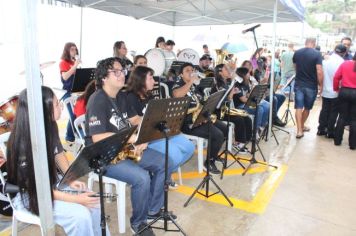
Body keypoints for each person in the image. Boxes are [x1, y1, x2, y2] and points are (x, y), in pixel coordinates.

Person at [6, 86, 108, 236]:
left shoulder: (48, 125)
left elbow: (58, 153)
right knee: (80, 215)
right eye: (55, 104)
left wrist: (70, 178)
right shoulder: (22, 143)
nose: (61, 106)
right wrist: (76, 199)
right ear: (43, 110)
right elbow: (39, 190)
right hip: (30, 195)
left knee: (94, 201)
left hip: (52, 184)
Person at [85, 57, 169, 235]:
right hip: (104, 156)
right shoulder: (97, 100)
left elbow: (135, 121)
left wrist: (143, 138)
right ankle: (138, 223)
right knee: (142, 178)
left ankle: (152, 209)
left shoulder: (121, 96)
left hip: (124, 149)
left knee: (164, 162)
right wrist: (133, 140)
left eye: (122, 71)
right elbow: (99, 137)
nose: (121, 74)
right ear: (103, 78)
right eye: (115, 72)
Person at [126, 66, 195, 187]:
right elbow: (135, 121)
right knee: (176, 154)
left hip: (157, 132)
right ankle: (162, 176)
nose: (154, 81)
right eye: (151, 78)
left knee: (189, 147)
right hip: (145, 137)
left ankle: (162, 174)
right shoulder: (130, 98)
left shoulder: (149, 96)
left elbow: (157, 115)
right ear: (141, 80)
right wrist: (154, 119)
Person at [172, 62, 227, 174]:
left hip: (198, 118)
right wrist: (191, 81)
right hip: (187, 123)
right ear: (181, 75)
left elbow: (202, 101)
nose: (191, 72)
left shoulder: (194, 87)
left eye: (192, 70)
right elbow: (177, 95)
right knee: (217, 135)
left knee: (224, 128)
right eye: (187, 70)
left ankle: (214, 155)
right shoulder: (178, 84)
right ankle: (208, 163)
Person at [212, 64, 252, 153]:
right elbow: (221, 102)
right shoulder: (218, 85)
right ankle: (237, 143)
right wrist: (231, 93)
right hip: (218, 112)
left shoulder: (227, 83)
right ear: (220, 73)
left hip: (225, 109)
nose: (228, 70)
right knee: (239, 119)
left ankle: (246, 140)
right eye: (226, 69)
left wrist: (232, 92)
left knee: (245, 115)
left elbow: (228, 100)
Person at [292, 38, 323, 138]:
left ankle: (299, 130)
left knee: (298, 107)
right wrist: (321, 84)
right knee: (307, 107)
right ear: (314, 44)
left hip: (299, 83)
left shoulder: (297, 53)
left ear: (305, 43)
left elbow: (295, 67)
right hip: (311, 85)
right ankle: (301, 127)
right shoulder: (317, 54)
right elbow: (319, 70)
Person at [317, 44, 347, 137]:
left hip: (325, 89)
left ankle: (321, 129)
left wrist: (321, 86)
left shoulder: (326, 60)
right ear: (344, 53)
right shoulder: (342, 62)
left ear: (334, 50)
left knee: (324, 109)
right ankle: (330, 131)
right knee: (333, 111)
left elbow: (320, 73)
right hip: (336, 90)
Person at [233, 67, 270, 137]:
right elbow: (243, 100)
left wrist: (253, 91)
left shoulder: (246, 84)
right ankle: (255, 131)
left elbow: (248, 95)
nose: (249, 74)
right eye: (247, 73)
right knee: (259, 109)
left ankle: (261, 127)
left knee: (267, 105)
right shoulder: (237, 85)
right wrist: (255, 102)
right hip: (240, 106)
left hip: (247, 103)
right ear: (243, 75)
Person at [59, 42, 81, 143]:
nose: (74, 51)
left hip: (76, 91)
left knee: (79, 111)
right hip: (67, 92)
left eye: (75, 49)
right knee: (73, 114)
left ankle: (77, 130)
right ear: (67, 50)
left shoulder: (74, 62)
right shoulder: (63, 62)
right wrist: (75, 66)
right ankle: (69, 136)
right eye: (72, 49)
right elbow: (65, 77)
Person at [333, 52, 356, 150]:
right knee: (354, 119)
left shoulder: (345, 63)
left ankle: (337, 141)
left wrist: (336, 89)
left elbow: (336, 77)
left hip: (344, 91)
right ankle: (353, 144)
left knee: (341, 116)